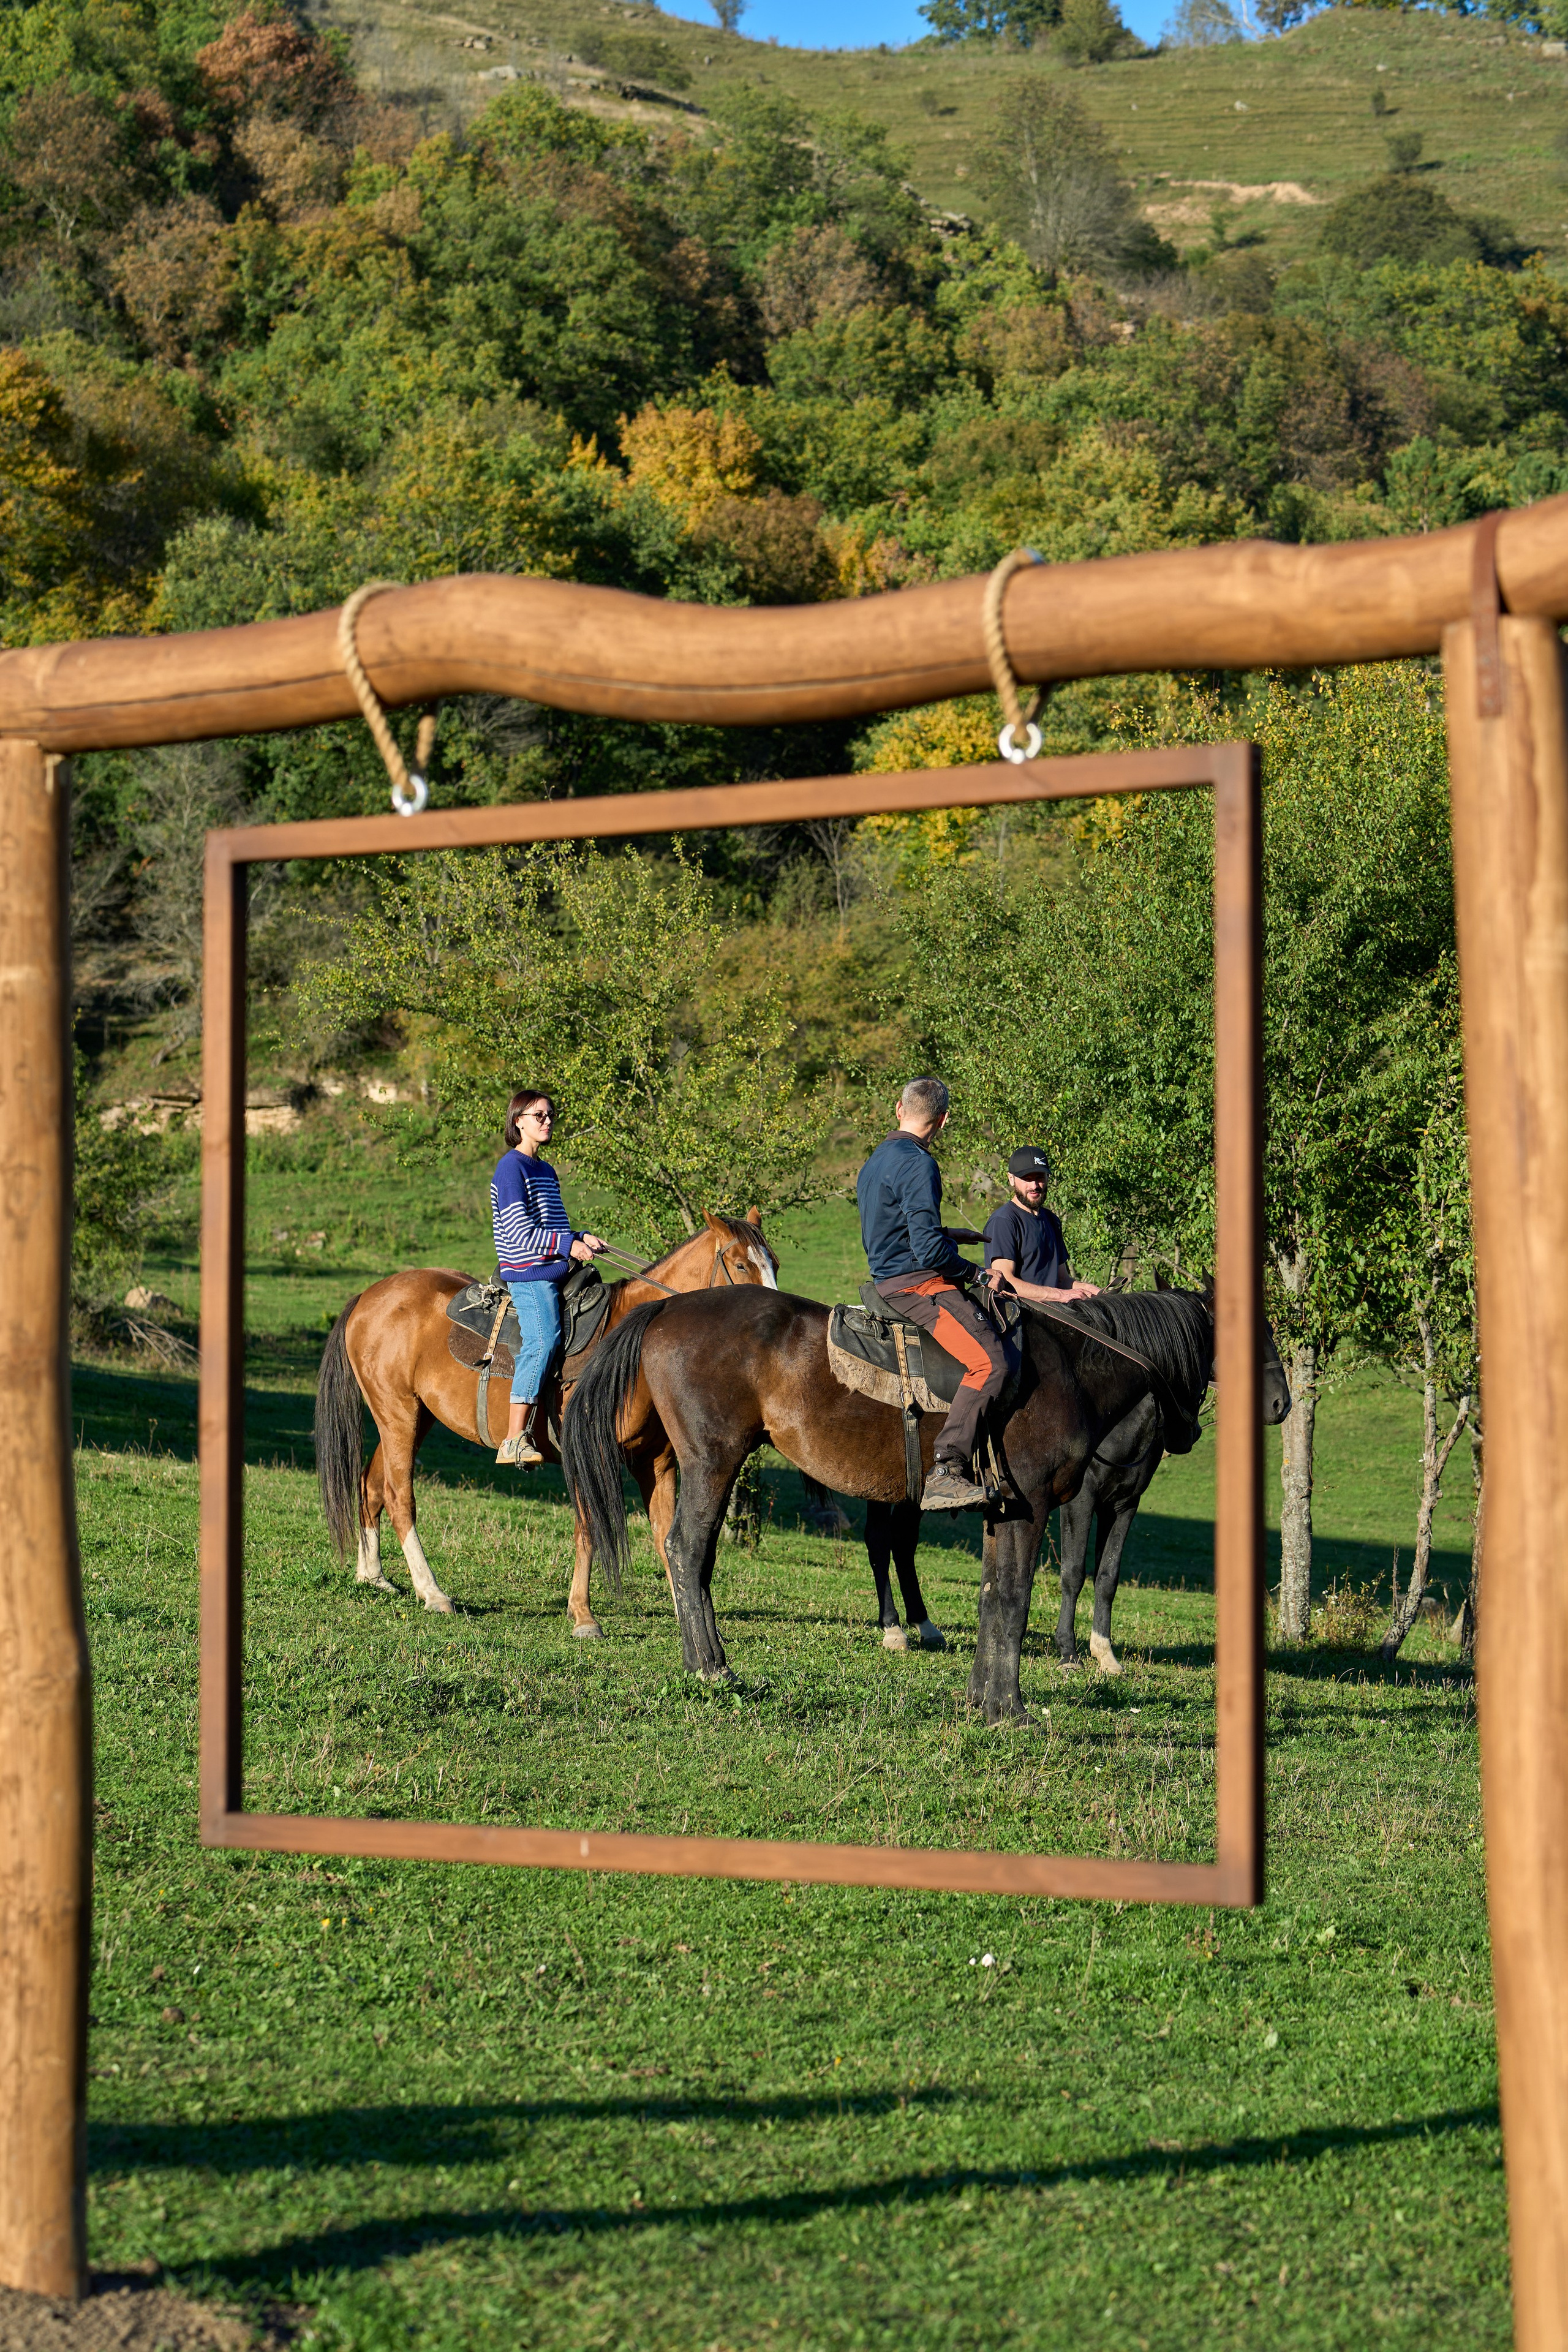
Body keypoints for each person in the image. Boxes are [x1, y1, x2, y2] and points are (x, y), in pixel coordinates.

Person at [856, 1076, 1008, 1512]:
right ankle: (947, 1469)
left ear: (899, 1110)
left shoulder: (876, 1160)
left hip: (889, 1276)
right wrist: (978, 1276)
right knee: (990, 1362)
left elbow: (893, 1229)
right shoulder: (920, 1164)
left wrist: (948, 1234)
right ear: (944, 1119)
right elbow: (926, 1252)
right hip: (916, 1285)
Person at [491, 1088, 606, 1468]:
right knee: (543, 1339)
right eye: (538, 1115)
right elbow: (520, 1233)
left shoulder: (546, 1170)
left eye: (550, 1115)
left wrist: (580, 1237)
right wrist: (567, 1245)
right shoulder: (512, 1168)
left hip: (557, 1268)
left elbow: (555, 1227)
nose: (547, 1121)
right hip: (529, 1273)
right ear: (518, 1121)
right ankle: (513, 1439)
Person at [983, 1147, 1100, 1307]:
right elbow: (1005, 1283)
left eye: (1040, 1177)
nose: (1034, 1185)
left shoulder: (1051, 1220)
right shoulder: (1004, 1221)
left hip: (1056, 1313)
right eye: (1026, 1178)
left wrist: (1091, 1290)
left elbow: (1062, 1279)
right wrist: (1060, 1295)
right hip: (1022, 1317)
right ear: (1011, 1179)